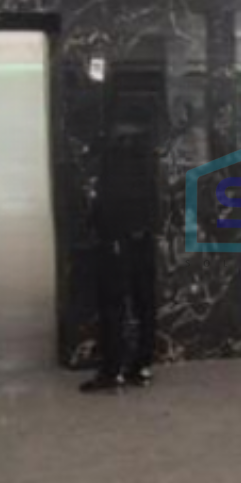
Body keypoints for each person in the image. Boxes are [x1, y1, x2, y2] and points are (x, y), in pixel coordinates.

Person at [80, 124, 159, 394]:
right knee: (145, 302)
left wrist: (97, 228)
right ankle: (142, 366)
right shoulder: (148, 159)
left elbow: (105, 203)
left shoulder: (113, 159)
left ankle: (112, 370)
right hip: (144, 238)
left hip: (116, 239)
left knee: (113, 305)